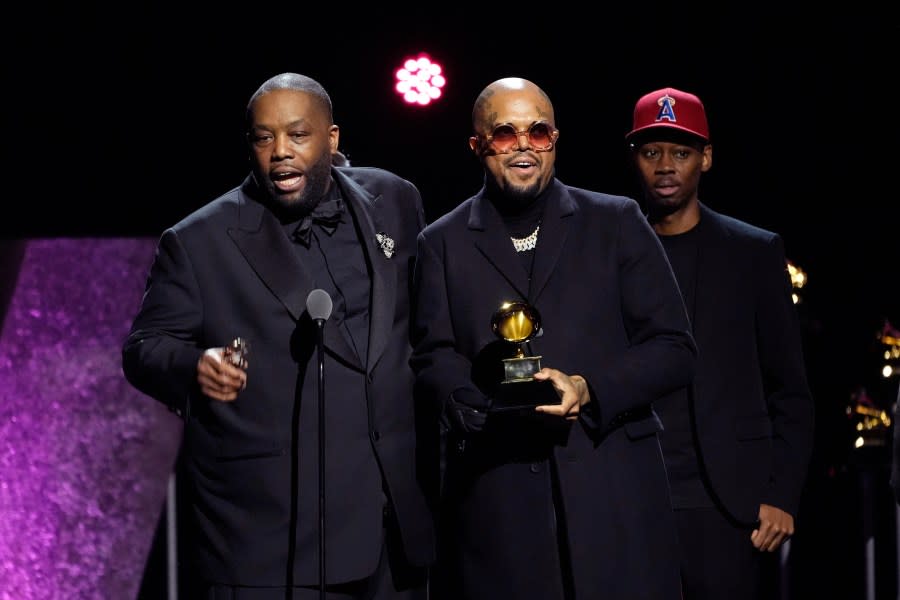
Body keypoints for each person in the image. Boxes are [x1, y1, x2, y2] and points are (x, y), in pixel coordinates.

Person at [122, 72, 434, 599]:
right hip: (274, 543)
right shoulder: (200, 240)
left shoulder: (395, 201)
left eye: (297, 135)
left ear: (332, 139)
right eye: (264, 139)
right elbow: (144, 349)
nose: (280, 153)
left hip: (392, 532)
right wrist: (195, 365)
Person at [410, 77, 697, 600]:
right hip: (501, 503)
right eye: (504, 133)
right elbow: (433, 355)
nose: (523, 144)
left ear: (555, 139)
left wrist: (588, 387)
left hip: (614, 495)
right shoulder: (441, 242)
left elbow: (674, 348)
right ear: (478, 146)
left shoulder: (615, 221)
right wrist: (469, 403)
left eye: (538, 132)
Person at [625, 86, 816, 600]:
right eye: (651, 152)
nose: (665, 166)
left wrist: (782, 495)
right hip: (635, 496)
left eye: (681, 153)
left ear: (705, 158)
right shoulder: (610, 253)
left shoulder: (752, 252)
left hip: (730, 505)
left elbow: (790, 390)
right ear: (635, 159)